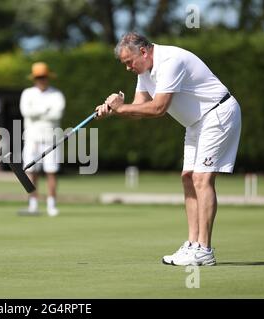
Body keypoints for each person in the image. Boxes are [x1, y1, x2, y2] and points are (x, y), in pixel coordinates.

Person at [96, 32, 241, 266]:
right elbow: (138, 110)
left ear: (143, 52)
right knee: (187, 178)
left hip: (218, 113)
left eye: (129, 62)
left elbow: (158, 109)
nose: (128, 68)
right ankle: (192, 244)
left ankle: (204, 249)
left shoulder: (171, 60)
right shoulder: (144, 71)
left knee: (202, 179)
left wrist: (121, 109)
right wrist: (113, 109)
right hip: (195, 122)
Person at [20, 62, 66, 216]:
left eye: (44, 77)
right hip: (32, 138)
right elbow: (26, 112)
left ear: (48, 77)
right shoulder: (27, 93)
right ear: (34, 78)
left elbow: (57, 115)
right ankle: (33, 204)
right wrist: (45, 110)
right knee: (31, 172)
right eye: (38, 77)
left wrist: (37, 112)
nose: (41, 80)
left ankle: (51, 204)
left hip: (51, 139)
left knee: (51, 172)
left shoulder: (57, 94)